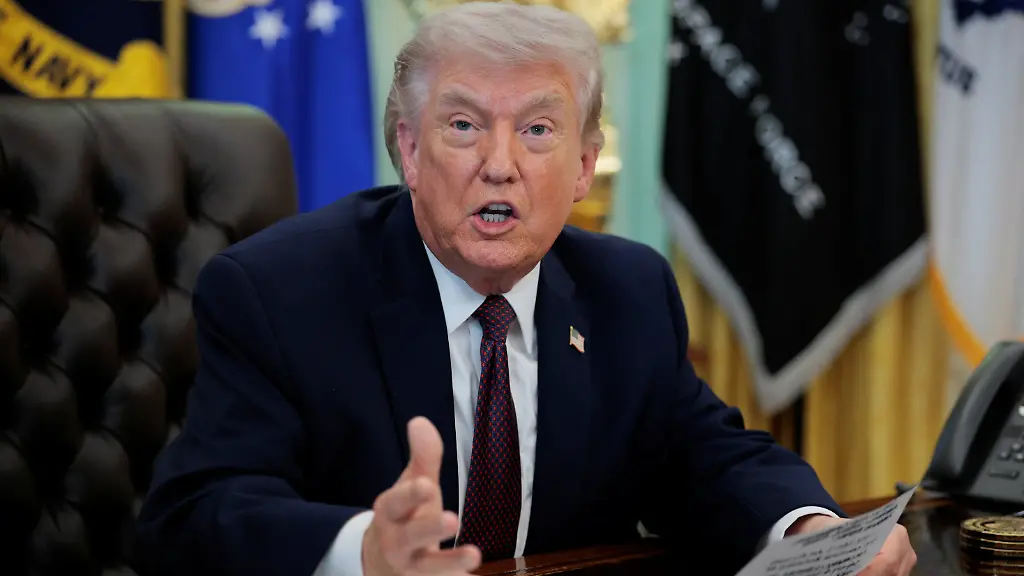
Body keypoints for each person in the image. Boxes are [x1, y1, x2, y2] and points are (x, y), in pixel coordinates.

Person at [134, 3, 917, 576]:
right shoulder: (280, 292)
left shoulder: (628, 289)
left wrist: (809, 526)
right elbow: (193, 516)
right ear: (408, 150)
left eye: (538, 130)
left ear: (583, 165)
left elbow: (704, 455)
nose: (499, 165)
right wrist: (361, 551)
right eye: (464, 126)